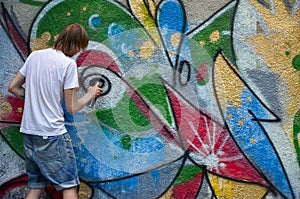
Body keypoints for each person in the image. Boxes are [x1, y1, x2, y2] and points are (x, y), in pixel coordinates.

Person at [8, 23, 101, 199]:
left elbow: (13, 87)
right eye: (79, 48)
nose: (77, 52)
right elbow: (72, 107)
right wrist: (90, 94)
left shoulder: (34, 57)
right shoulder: (68, 65)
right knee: (69, 186)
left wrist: (34, 97)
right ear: (74, 45)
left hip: (30, 134)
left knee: (36, 187)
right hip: (52, 135)